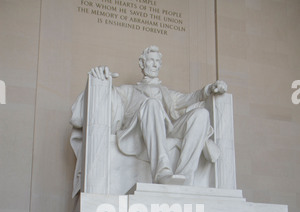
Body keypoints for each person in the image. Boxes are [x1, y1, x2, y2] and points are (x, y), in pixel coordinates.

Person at [70, 46, 227, 193]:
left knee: (202, 115)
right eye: (151, 60)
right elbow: (109, 98)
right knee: (151, 103)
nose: (155, 65)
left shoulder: (167, 93)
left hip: (168, 129)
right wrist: (103, 79)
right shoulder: (129, 91)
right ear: (142, 63)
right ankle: (162, 171)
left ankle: (185, 176)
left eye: (158, 61)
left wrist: (209, 89)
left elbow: (191, 98)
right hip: (139, 131)